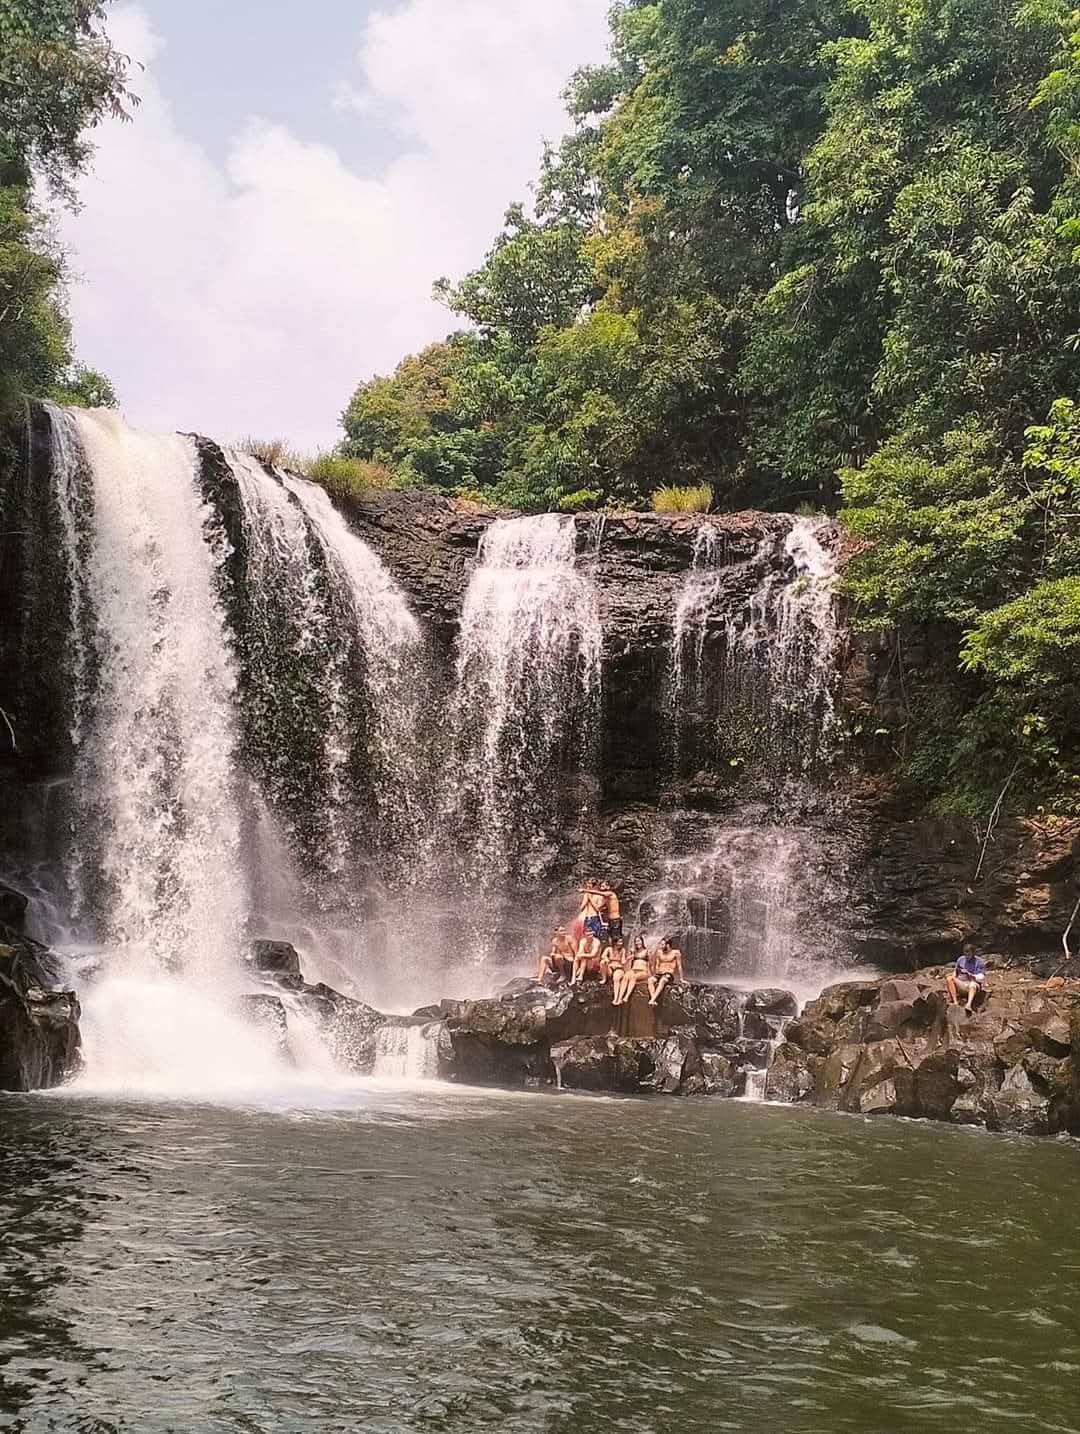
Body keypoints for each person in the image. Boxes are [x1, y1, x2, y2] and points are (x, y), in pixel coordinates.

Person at [947, 946, 988, 1011]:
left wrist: (972, 975)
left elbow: (982, 977)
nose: (967, 956)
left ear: (973, 953)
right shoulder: (961, 959)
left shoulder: (979, 961)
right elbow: (955, 971)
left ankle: (969, 1005)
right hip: (962, 982)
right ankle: (955, 1002)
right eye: (965, 954)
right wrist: (953, 978)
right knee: (949, 978)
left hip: (973, 983)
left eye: (969, 954)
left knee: (973, 985)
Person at [614, 934, 651, 1005]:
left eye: (638, 941)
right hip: (633, 970)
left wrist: (650, 974)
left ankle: (626, 997)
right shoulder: (634, 952)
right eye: (636, 941)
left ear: (642, 941)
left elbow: (650, 964)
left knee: (633, 977)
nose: (637, 943)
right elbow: (628, 962)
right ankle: (619, 999)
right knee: (625, 977)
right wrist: (630, 956)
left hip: (643, 971)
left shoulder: (647, 951)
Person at [648, 938, 684, 1006]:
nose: (660, 946)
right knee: (650, 980)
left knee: (663, 980)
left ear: (667, 945)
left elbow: (679, 966)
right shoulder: (659, 952)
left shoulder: (676, 953)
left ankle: (652, 1000)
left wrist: (681, 979)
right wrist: (655, 973)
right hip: (660, 973)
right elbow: (657, 965)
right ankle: (653, 1000)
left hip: (668, 973)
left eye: (662, 944)